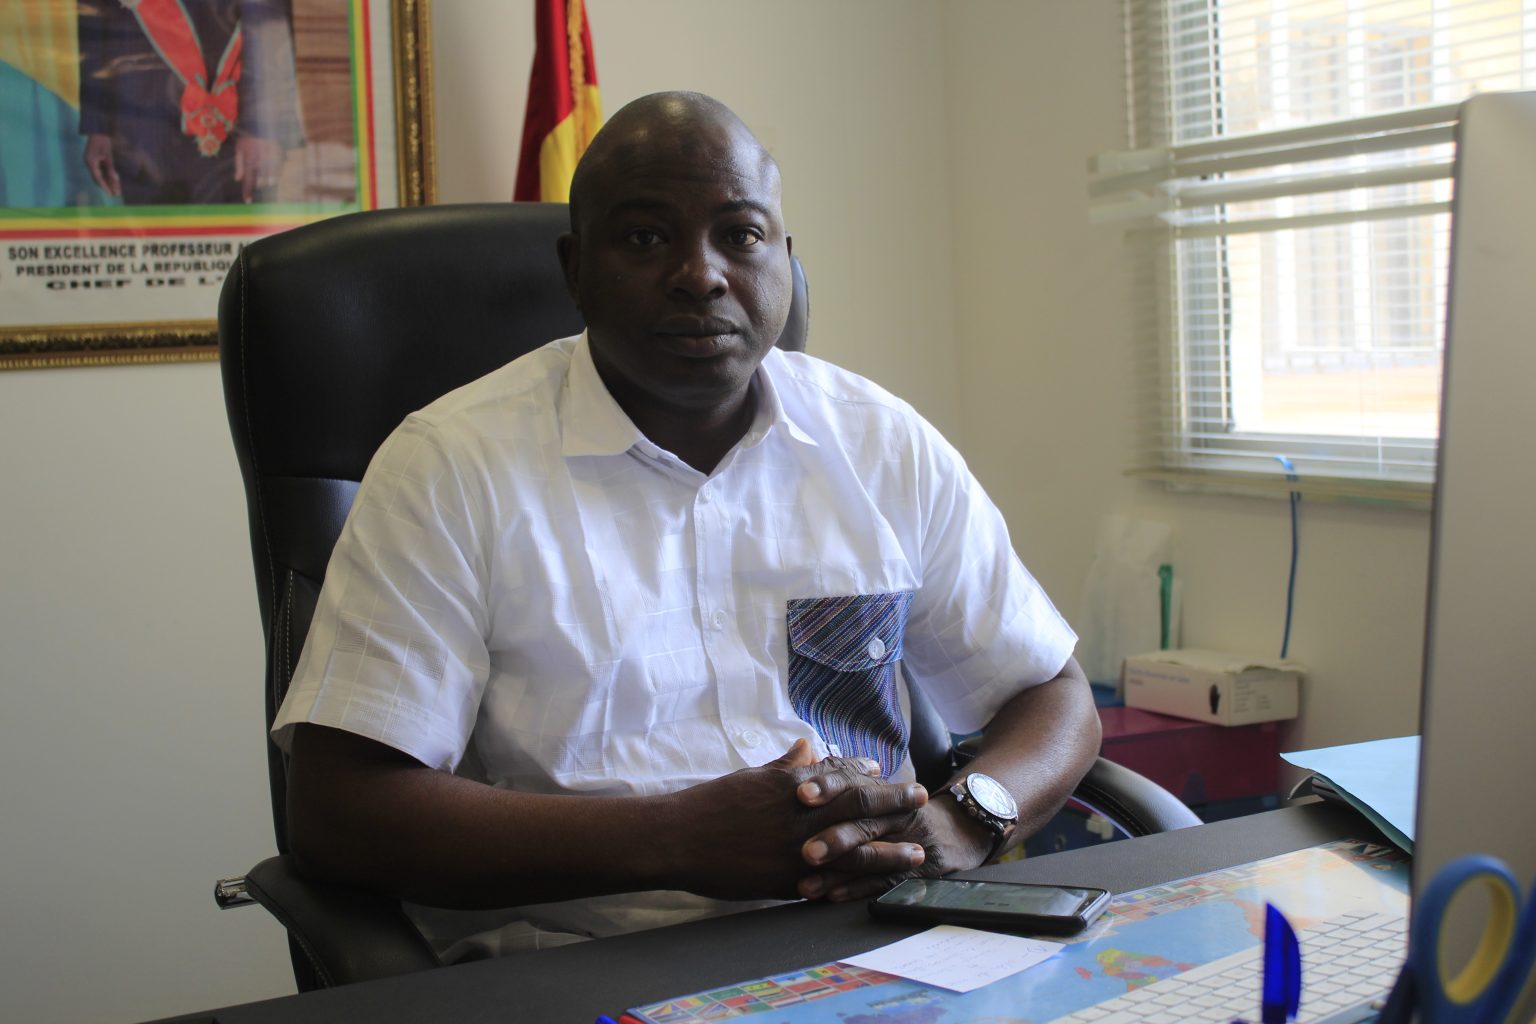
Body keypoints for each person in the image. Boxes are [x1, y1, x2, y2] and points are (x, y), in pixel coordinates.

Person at [273, 91, 1101, 962]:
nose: (700, 274)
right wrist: (675, 838)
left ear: (785, 261)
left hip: (879, 943)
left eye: (740, 235)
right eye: (644, 238)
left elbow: (1053, 695)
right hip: (581, 964)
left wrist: (965, 820)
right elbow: (341, 813)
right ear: (574, 270)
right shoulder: (449, 465)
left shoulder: (880, 442)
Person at [76, 0, 302, 205]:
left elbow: (268, 20)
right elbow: (96, 14)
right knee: (154, 232)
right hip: (135, 120)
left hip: (230, 117)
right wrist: (99, 123)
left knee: (236, 230)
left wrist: (260, 124)